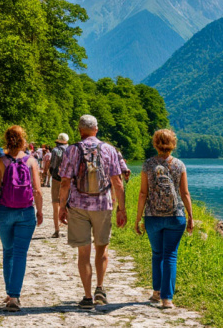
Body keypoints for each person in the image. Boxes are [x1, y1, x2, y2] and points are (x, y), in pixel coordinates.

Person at [58, 115, 127, 310]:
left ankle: (87, 297)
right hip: (103, 205)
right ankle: (100, 289)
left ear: (80, 130)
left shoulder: (71, 150)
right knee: (102, 249)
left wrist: (62, 207)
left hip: (78, 206)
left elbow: (64, 182)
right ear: (96, 129)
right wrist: (122, 208)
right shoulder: (109, 149)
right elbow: (118, 182)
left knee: (83, 252)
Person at [0, 125, 44, 311]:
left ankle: (10, 293)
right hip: (26, 212)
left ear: (6, 140)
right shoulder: (32, 161)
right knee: (20, 254)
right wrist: (40, 211)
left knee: (8, 251)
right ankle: (14, 296)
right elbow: (37, 190)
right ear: (23, 140)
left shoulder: (1, 162)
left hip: (4, 211)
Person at [134, 129, 194, 309]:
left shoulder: (147, 165)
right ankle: (167, 299)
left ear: (155, 144)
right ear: (173, 144)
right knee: (170, 256)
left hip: (153, 217)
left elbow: (143, 193)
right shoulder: (179, 165)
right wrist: (191, 216)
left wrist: (138, 219)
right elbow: (185, 193)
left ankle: (156, 293)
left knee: (157, 254)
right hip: (176, 217)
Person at [47, 133, 70, 238]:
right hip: (68, 179)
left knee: (55, 204)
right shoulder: (71, 150)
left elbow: (53, 165)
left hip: (56, 179)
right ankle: (72, 230)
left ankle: (57, 230)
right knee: (68, 205)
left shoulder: (55, 151)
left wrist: (51, 174)